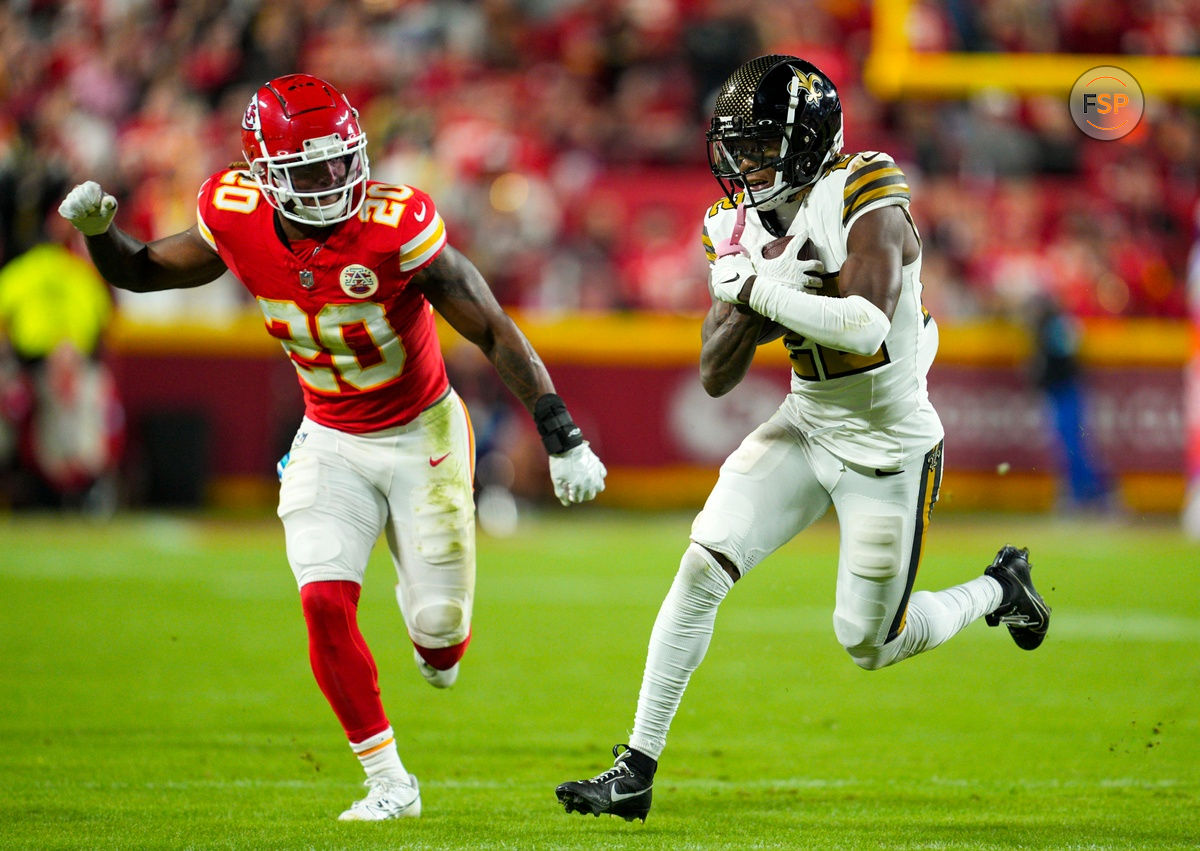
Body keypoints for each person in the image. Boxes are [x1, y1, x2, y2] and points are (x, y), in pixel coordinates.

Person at [58, 73, 607, 821]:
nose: (332, 179)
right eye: (308, 168)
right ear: (262, 174)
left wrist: (561, 432)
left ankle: (425, 615)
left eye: (341, 159)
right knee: (322, 599)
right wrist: (100, 235)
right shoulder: (234, 212)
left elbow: (488, 325)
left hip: (424, 435)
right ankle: (389, 781)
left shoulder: (397, 223)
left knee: (441, 646)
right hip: (331, 439)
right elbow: (142, 271)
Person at [555, 55, 1050, 822]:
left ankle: (998, 589)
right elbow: (717, 374)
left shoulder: (865, 187)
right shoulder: (736, 223)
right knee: (701, 565)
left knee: (869, 641)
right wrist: (741, 300)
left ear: (810, 140)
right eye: (736, 146)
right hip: (807, 420)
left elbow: (867, 323)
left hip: (888, 444)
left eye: (759, 145)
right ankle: (635, 768)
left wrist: (758, 288)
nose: (743, 163)